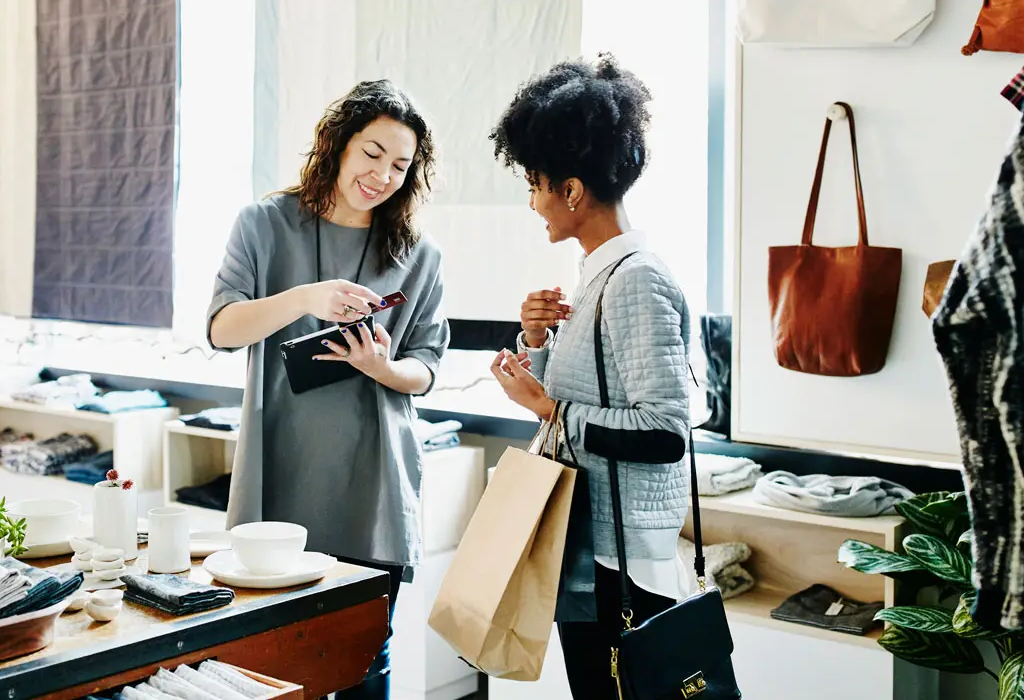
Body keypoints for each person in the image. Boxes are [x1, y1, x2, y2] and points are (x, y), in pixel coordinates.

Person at [207, 80, 450, 700]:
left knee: (366, 666)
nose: (383, 175)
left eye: (401, 165)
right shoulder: (264, 225)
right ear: (338, 145)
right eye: (372, 154)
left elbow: (425, 366)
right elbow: (222, 329)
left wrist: (381, 368)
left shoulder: (419, 256)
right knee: (269, 668)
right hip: (279, 480)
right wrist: (306, 299)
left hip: (373, 489)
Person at [485, 56, 693, 700]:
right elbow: (596, 396)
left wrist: (547, 407)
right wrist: (538, 343)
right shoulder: (601, 273)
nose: (532, 200)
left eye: (534, 182)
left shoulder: (635, 279)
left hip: (622, 560)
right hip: (598, 543)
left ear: (571, 191)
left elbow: (664, 431)